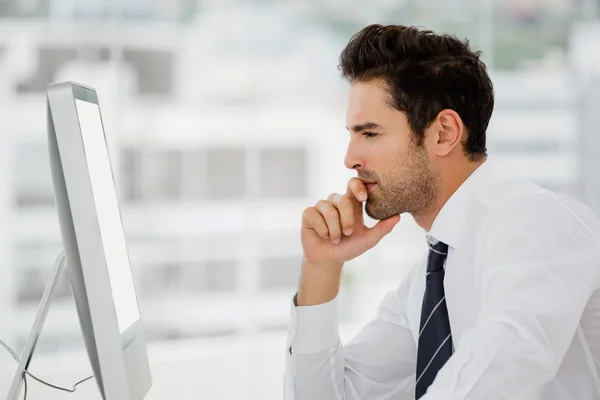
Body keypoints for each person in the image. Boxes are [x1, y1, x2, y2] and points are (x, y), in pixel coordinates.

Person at [283, 24, 600, 400]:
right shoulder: (426, 283)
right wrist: (321, 267)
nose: (350, 159)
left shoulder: (534, 219)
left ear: (444, 133)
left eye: (369, 134)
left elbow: (506, 364)